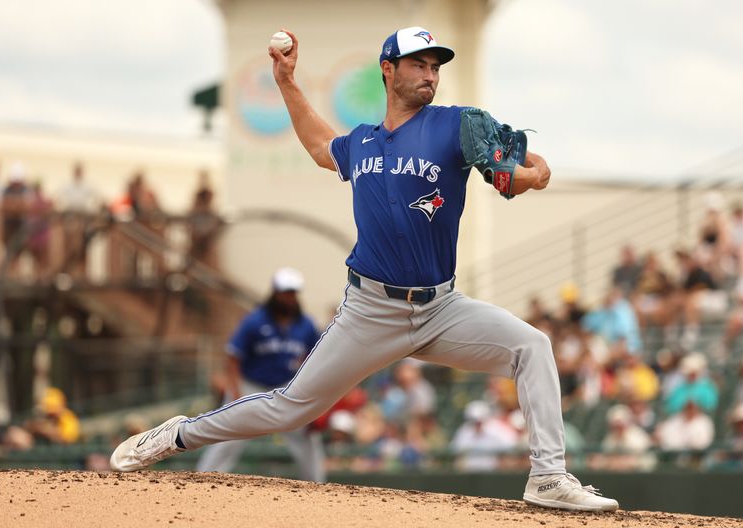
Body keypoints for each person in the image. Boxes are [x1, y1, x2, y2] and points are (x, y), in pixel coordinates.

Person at [110, 26, 618, 512]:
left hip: (441, 307)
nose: (430, 74)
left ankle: (549, 476)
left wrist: (532, 173)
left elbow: (525, 163)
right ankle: (175, 434)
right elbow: (317, 144)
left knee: (532, 345)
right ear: (387, 70)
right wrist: (286, 82)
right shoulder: (363, 142)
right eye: (418, 63)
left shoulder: (456, 125)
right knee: (292, 407)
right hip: (371, 309)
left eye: (435, 65)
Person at [195, 268, 326, 482]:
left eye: (293, 293)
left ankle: (318, 485)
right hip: (251, 385)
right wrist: (235, 391)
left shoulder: (306, 324)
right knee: (229, 432)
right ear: (274, 293)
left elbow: (318, 356)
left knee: (306, 436)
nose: (290, 297)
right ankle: (204, 478)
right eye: (285, 292)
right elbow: (233, 357)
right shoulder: (255, 320)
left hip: (286, 386)